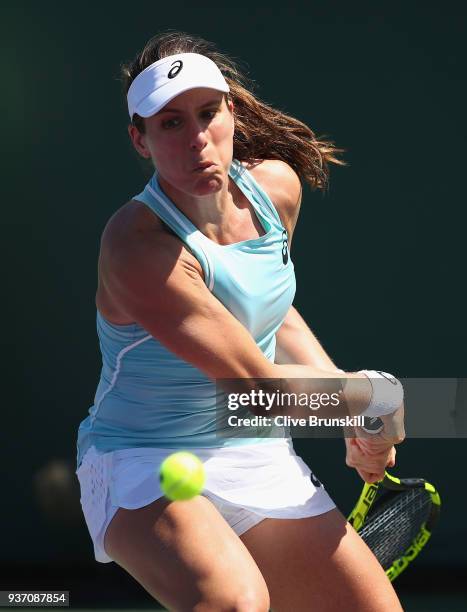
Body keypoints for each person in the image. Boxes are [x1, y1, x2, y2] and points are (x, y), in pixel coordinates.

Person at [76, 31, 405, 611]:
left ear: (232, 112)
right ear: (141, 140)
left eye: (208, 114)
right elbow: (256, 388)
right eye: (171, 124)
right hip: (142, 454)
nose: (199, 139)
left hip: (252, 448)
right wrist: (369, 401)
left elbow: (268, 312)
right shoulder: (137, 244)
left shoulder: (275, 189)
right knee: (233, 602)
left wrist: (353, 413)